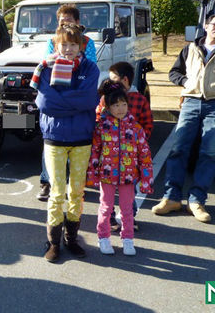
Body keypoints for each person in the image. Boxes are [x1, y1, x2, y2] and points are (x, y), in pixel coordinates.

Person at [152, 13, 215, 223]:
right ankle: (171, 198)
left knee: (210, 152)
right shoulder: (190, 48)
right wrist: (186, 82)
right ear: (206, 26)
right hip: (190, 102)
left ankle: (196, 201)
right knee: (178, 149)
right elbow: (173, 72)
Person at [30, 23, 99, 262]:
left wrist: (62, 101)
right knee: (57, 192)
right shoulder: (46, 68)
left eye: (73, 45)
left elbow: (89, 99)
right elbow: (45, 103)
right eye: (64, 45)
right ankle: (54, 242)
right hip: (55, 138)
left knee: (76, 192)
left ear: (81, 46)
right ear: (56, 46)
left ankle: (72, 238)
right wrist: (73, 102)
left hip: (81, 138)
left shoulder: (90, 68)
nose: (68, 49)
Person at [38, 4, 97, 202]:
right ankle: (47, 182)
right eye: (61, 21)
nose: (65, 24)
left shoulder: (87, 43)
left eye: (69, 20)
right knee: (51, 148)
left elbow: (88, 91)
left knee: (77, 160)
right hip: (55, 124)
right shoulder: (52, 41)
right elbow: (45, 98)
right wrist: (74, 101)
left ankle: (76, 186)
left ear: (77, 22)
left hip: (80, 124)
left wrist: (60, 100)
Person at [87, 80, 153, 256]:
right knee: (106, 207)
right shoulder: (102, 127)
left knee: (127, 209)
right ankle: (103, 237)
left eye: (124, 104)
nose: (121, 108)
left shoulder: (136, 128)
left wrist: (147, 179)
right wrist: (92, 174)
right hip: (106, 176)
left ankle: (128, 239)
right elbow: (94, 151)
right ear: (107, 106)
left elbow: (145, 155)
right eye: (116, 105)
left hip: (129, 177)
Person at [95, 61, 153, 231]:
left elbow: (147, 124)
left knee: (129, 191)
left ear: (125, 80)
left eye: (115, 80)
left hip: (129, 160)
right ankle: (110, 219)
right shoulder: (106, 99)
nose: (111, 83)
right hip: (108, 159)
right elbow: (97, 120)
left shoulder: (139, 99)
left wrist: (138, 142)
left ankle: (129, 216)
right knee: (107, 193)